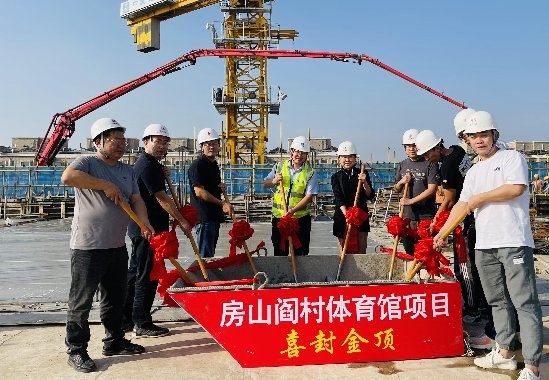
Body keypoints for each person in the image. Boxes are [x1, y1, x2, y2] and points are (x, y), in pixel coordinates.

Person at [434, 111, 542, 380]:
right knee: (497, 301)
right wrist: (443, 232)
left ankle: (531, 366)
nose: (479, 141)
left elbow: (516, 188)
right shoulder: (473, 171)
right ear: (466, 139)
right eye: (473, 136)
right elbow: (462, 203)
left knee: (525, 302)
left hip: (513, 241)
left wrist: (480, 199)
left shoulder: (511, 158)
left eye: (484, 134)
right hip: (485, 244)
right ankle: (504, 353)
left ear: (494, 134)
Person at [62, 118, 152, 373]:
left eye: (124, 140)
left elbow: (137, 199)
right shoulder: (88, 163)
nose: (121, 145)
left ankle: (114, 340)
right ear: (98, 141)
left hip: (116, 245)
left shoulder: (127, 170)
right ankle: (77, 349)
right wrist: (105, 185)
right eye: (115, 139)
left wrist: (144, 222)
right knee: (81, 300)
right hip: (87, 246)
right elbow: (68, 177)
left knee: (115, 296)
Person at [123, 123, 191, 338]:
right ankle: (142, 322)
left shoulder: (149, 164)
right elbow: (162, 198)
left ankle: (126, 318)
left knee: (135, 273)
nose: (162, 146)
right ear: (145, 142)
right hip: (148, 230)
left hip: (143, 228)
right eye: (157, 141)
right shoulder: (148, 166)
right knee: (147, 275)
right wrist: (181, 220)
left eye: (164, 142)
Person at [415, 128, 482, 324]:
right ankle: (480, 304)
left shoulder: (447, 166)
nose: (428, 158)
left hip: (464, 216)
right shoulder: (458, 151)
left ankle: (472, 308)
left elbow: (450, 199)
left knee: (464, 263)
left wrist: (437, 218)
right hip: (474, 212)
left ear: (437, 147)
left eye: (428, 153)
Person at [263, 136, 319, 256]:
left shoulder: (310, 172)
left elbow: (309, 196)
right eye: (297, 151)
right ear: (291, 152)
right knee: (280, 252)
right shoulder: (279, 167)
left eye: (303, 153)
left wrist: (293, 210)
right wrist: (273, 181)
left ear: (307, 155)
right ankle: (281, 275)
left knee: (300, 253)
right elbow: (265, 183)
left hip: (300, 219)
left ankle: (298, 275)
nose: (299, 155)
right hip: (280, 218)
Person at [188, 127, 233, 258]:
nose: (211, 147)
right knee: (205, 256)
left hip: (213, 216)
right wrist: (222, 203)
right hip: (204, 216)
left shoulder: (213, 165)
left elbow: (209, 186)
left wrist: (219, 186)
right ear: (202, 147)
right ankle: (204, 278)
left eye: (214, 144)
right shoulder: (198, 165)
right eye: (208, 144)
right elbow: (200, 192)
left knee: (210, 253)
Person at [394, 129, 439, 255]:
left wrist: (411, 201)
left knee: (427, 252)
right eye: (408, 146)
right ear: (404, 148)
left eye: (414, 145)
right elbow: (396, 188)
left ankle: (426, 275)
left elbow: (432, 189)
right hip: (407, 216)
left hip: (426, 215)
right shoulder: (402, 164)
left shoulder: (429, 163)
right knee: (409, 251)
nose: (411, 149)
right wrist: (401, 182)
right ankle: (412, 275)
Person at [331, 141, 375, 254]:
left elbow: (370, 195)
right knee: (344, 251)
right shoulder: (336, 177)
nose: (347, 160)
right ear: (339, 158)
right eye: (344, 157)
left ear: (355, 158)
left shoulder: (362, 173)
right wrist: (348, 215)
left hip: (360, 215)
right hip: (343, 216)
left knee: (361, 251)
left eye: (350, 156)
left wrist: (364, 182)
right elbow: (338, 198)